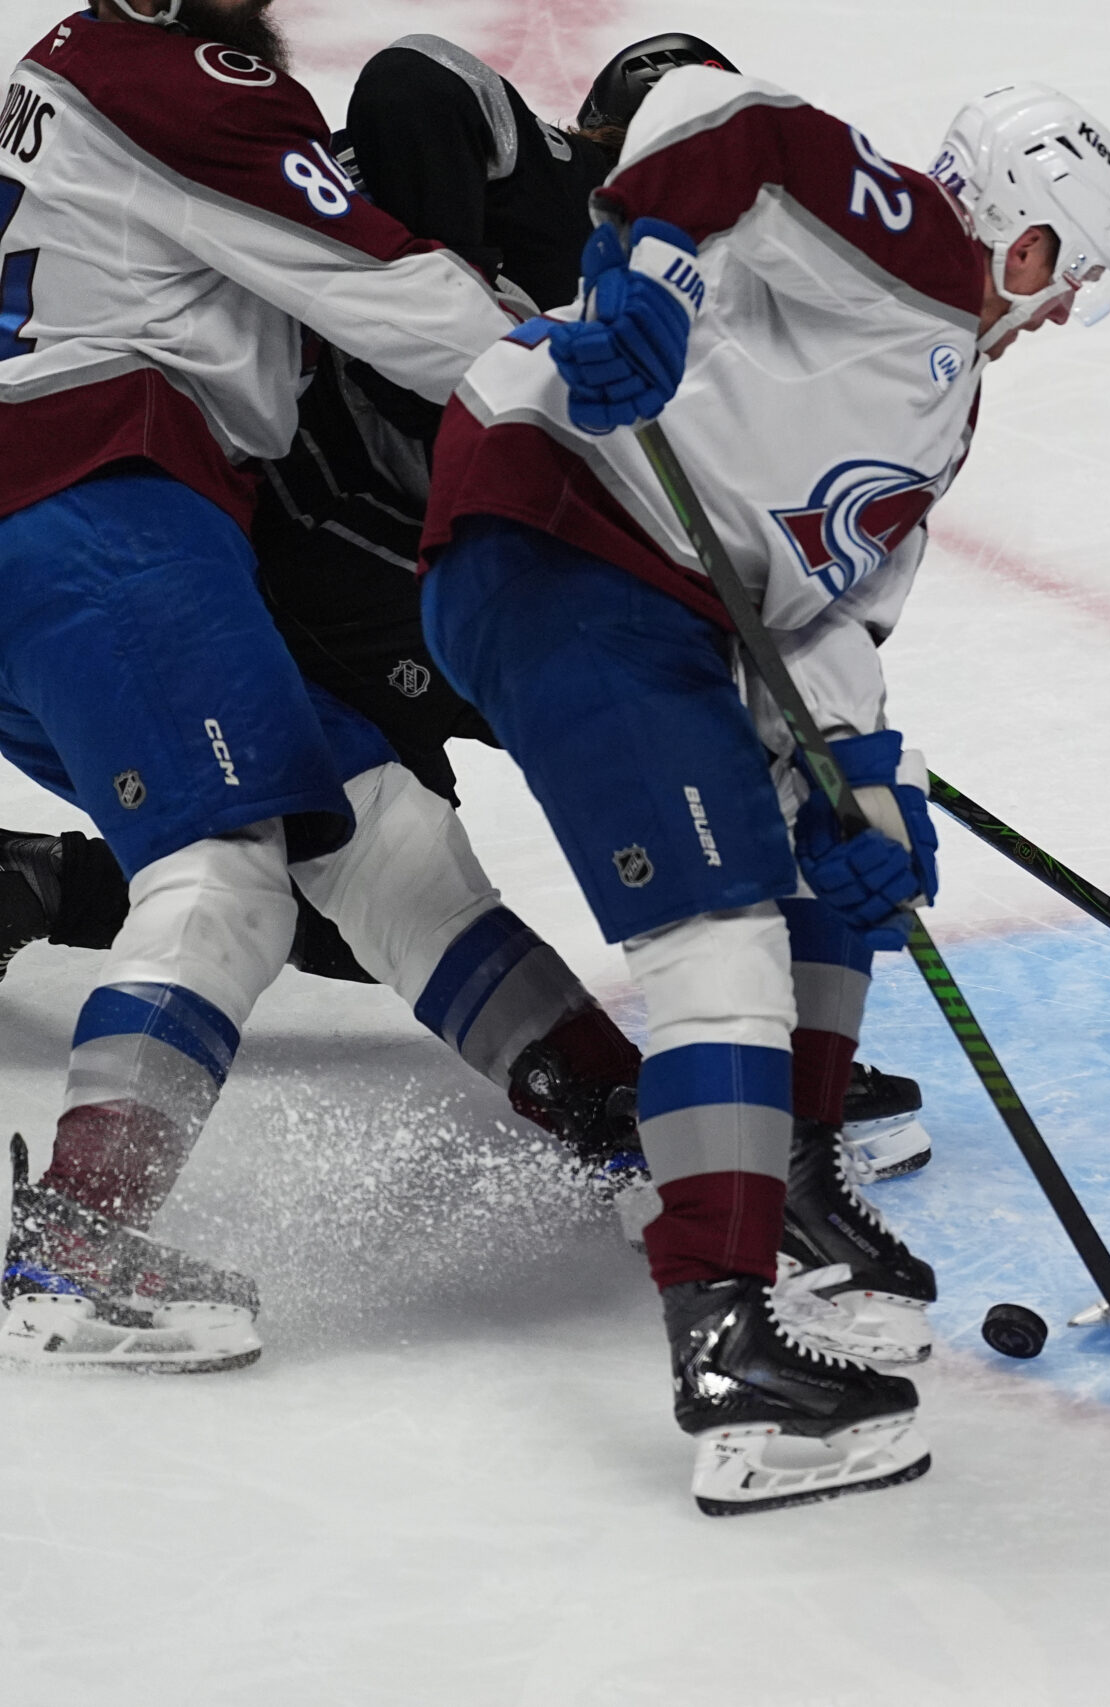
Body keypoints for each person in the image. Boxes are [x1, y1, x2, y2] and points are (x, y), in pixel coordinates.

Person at [0, 27, 930, 1181]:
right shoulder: (549, 188)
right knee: (242, 865)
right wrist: (523, 361)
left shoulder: (737, 319)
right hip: (188, 531)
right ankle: (79, 1240)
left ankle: (641, 1102)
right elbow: (412, 100)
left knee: (384, 853)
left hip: (300, 555)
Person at [417, 65, 1110, 1510]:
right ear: (1021, 222)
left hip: (674, 597)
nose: (1060, 308)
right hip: (564, 527)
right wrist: (644, 279)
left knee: (830, 865)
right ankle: (725, 1340)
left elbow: (834, 616)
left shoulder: (951, 403)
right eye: (1069, 267)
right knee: (719, 937)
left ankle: (794, 1176)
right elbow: (712, 111)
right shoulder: (912, 241)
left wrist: (867, 784)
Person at [0, 0, 602, 1374]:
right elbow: (405, 300)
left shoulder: (68, 58)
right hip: (100, 503)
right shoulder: (196, 86)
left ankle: (623, 1119)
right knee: (225, 870)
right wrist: (599, 422)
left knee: (378, 829)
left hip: (69, 522)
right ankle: (73, 1243)